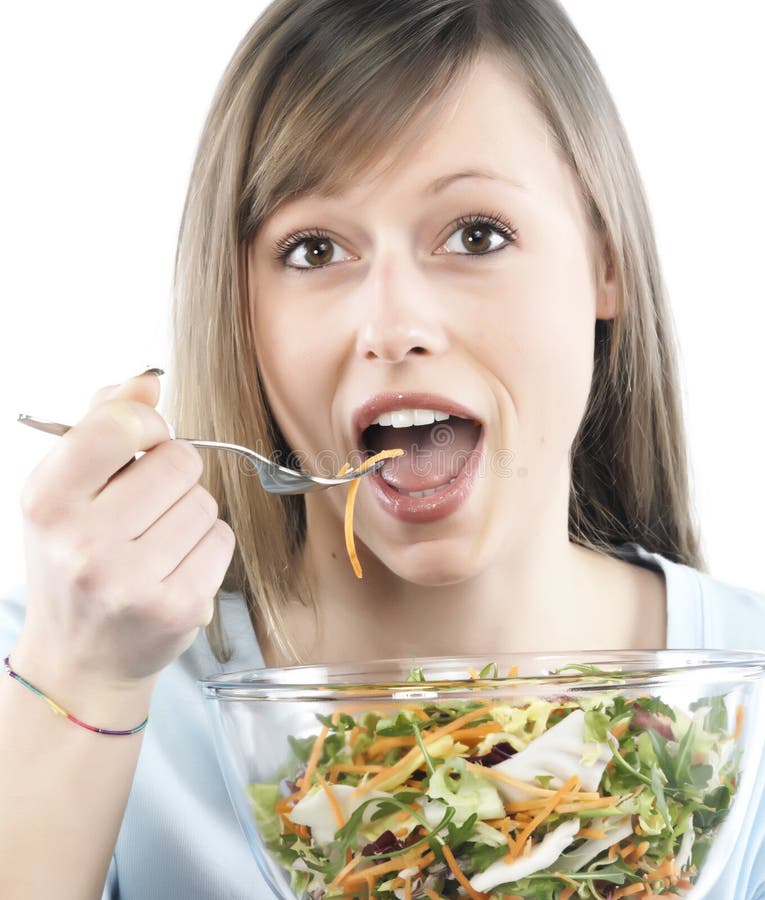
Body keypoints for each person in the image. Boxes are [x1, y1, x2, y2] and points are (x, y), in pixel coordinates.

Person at [1, 0, 763, 897]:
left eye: (476, 235)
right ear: (236, 302)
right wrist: (81, 679)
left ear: (606, 263)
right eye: (314, 247)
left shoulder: (741, 693)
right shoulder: (62, 665)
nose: (393, 324)